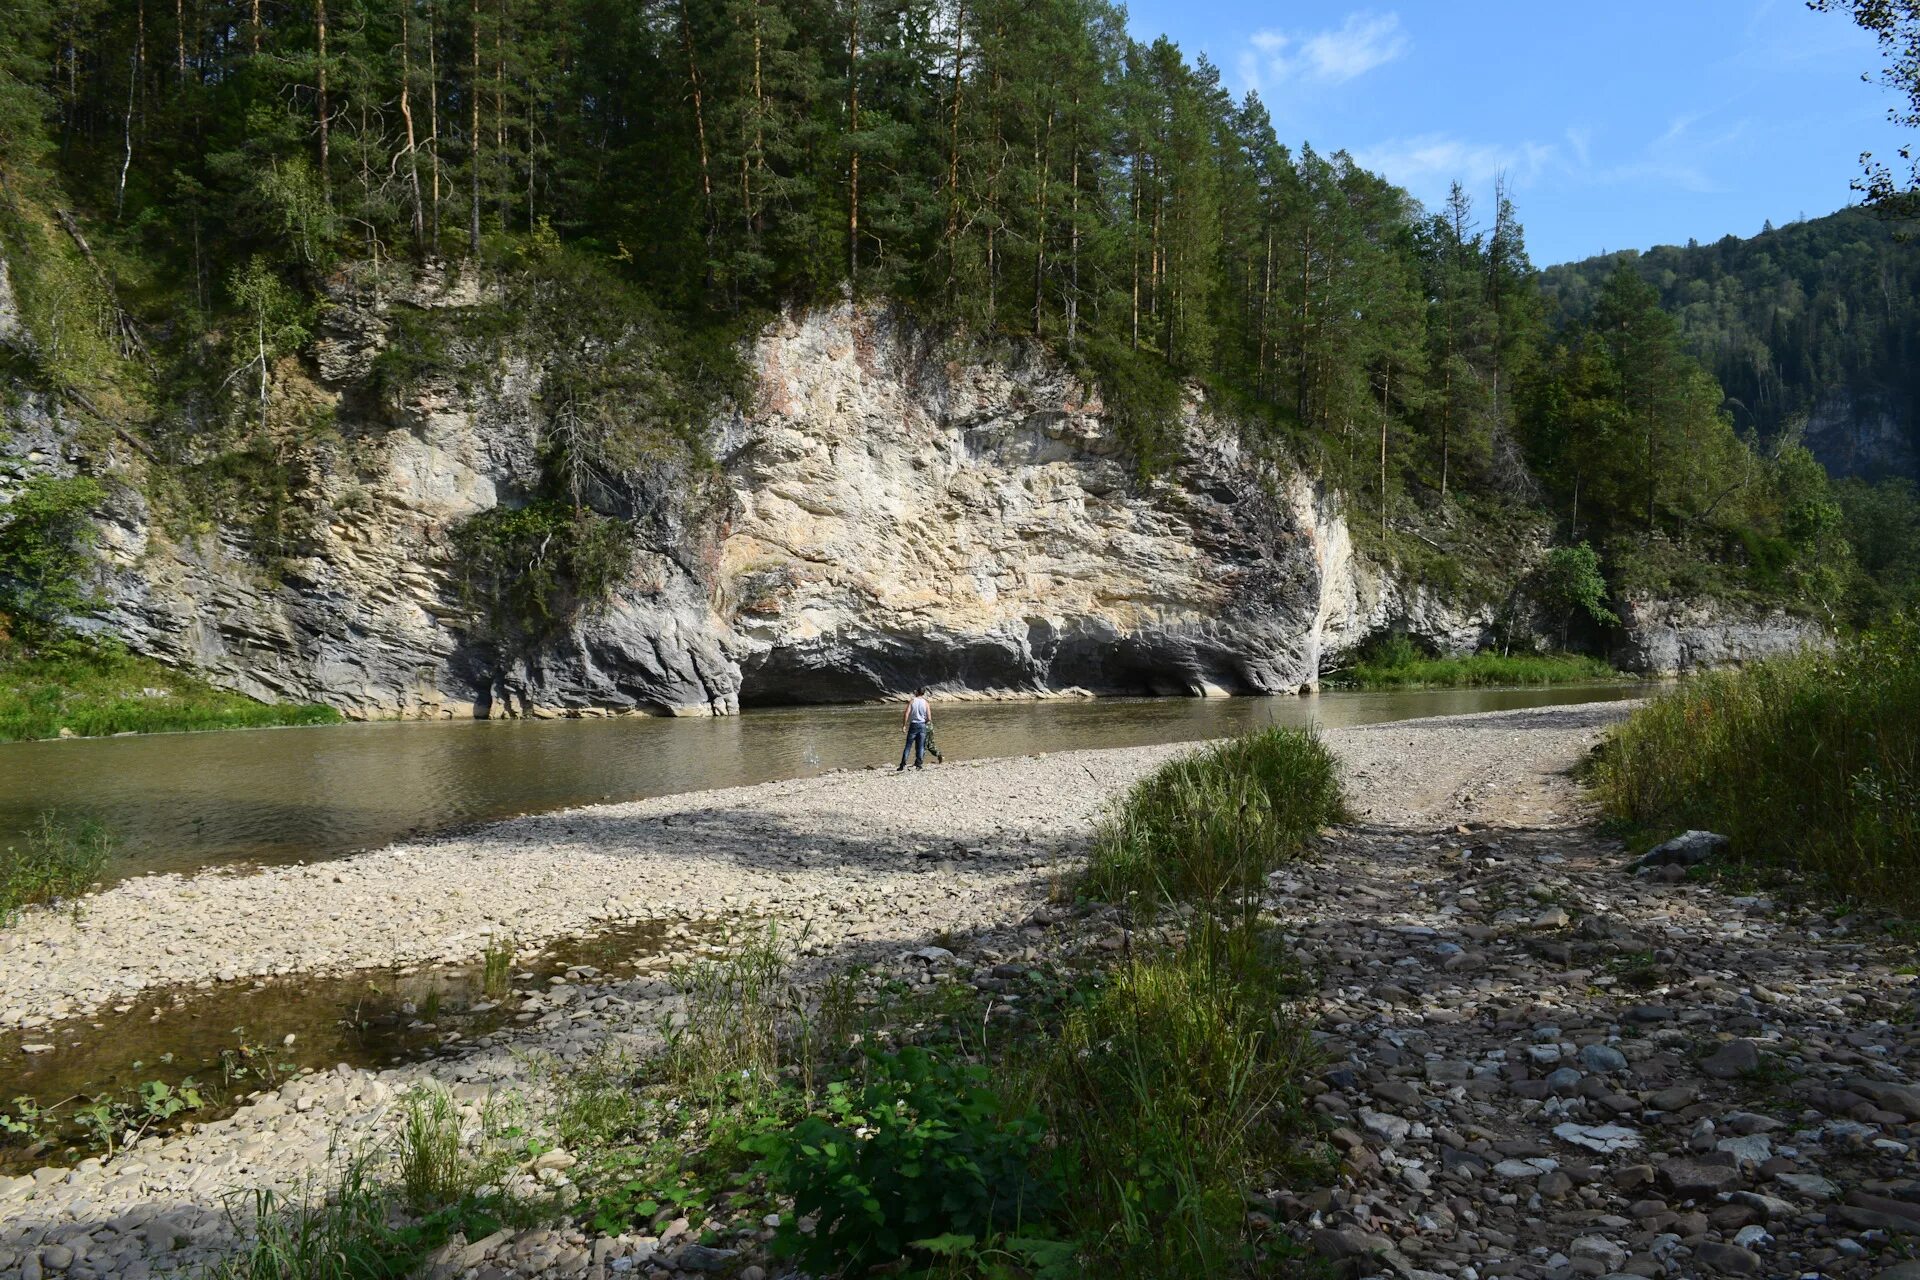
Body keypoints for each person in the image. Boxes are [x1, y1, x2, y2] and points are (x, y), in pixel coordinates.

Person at [897, 686, 932, 771]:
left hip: (913, 725)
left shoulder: (912, 701)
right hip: (922, 725)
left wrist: (904, 726)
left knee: (908, 746)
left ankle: (902, 765)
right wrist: (925, 722)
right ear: (923, 693)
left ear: (917, 692)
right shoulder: (926, 703)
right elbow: (929, 718)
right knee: (921, 747)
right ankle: (919, 765)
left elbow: (906, 714)